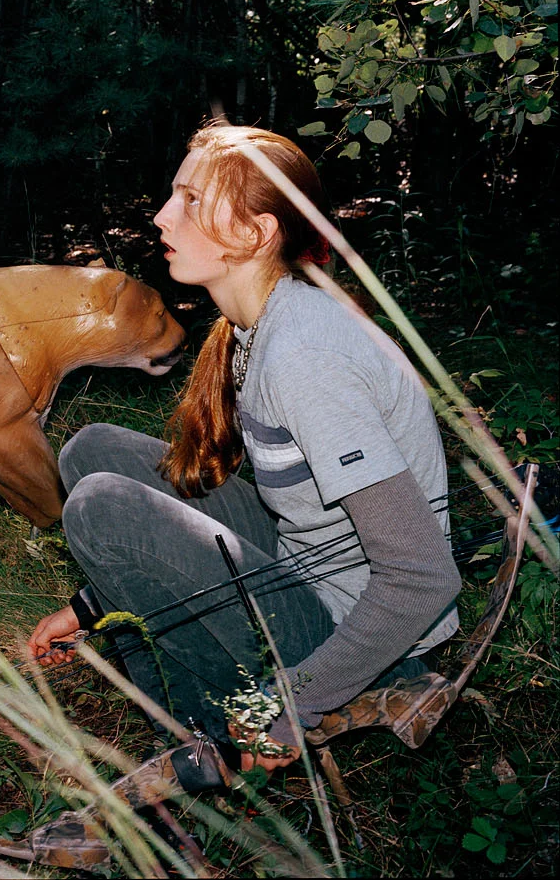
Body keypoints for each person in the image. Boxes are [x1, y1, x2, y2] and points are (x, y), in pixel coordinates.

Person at [27, 124, 461, 772]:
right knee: (92, 452)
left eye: (192, 200)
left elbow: (424, 576)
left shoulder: (303, 355)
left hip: (362, 639)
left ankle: (198, 732)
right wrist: (91, 604)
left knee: (97, 506)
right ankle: (169, 677)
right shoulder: (255, 327)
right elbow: (304, 510)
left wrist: (289, 705)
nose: (161, 215)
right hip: (304, 567)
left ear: (256, 234)